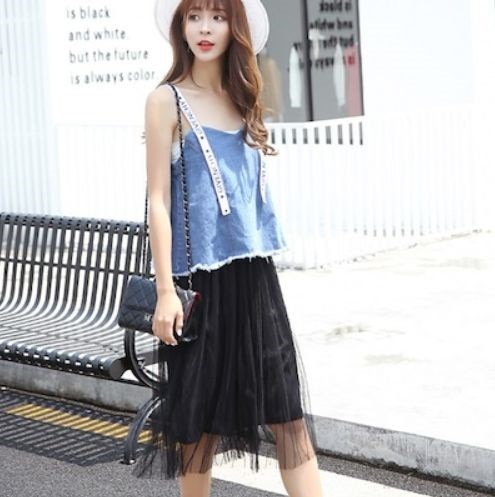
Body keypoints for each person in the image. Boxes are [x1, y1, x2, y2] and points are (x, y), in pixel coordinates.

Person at [131, 1, 324, 496]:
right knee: (199, 429)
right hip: (200, 283)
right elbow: (157, 201)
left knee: (288, 416)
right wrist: (166, 292)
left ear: (234, 27)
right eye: (194, 16)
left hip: (256, 279)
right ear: (181, 26)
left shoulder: (245, 96)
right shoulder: (166, 101)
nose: (205, 28)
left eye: (218, 16)